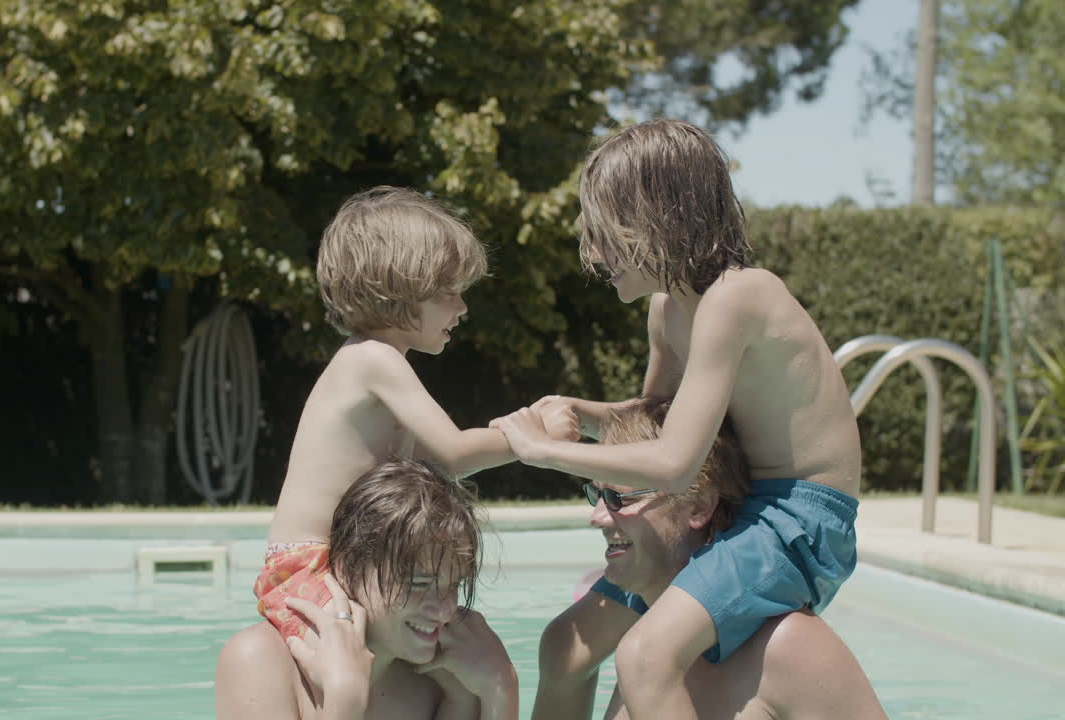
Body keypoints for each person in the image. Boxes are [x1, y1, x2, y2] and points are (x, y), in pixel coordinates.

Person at [492, 118, 863, 719]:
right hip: (732, 500)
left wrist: (544, 454)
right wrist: (577, 412)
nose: (592, 253)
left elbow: (671, 463)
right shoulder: (668, 310)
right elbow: (658, 419)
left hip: (798, 519)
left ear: (661, 219)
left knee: (645, 658)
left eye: (606, 233)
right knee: (565, 643)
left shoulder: (738, 297)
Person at [257, 186, 565, 640]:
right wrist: (535, 437)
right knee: (353, 660)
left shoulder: (374, 363)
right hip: (308, 564)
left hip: (351, 561)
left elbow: (440, 464)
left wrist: (514, 433)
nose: (462, 308)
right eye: (450, 292)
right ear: (400, 288)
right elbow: (456, 453)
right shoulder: (374, 360)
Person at [533, 397, 885, 720]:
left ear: (699, 507)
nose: (598, 517)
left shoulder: (789, 647)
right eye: (597, 494)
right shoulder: (642, 646)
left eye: (619, 498)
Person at [217, 459, 518, 720]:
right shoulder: (259, 661)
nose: (445, 610)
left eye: (454, 584)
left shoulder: (446, 678)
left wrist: (501, 688)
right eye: (419, 583)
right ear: (348, 568)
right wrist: (344, 703)